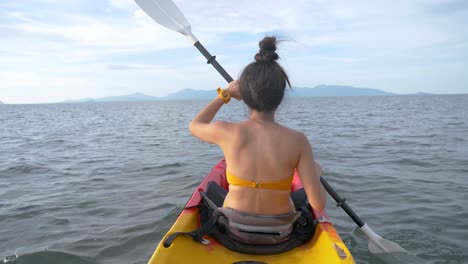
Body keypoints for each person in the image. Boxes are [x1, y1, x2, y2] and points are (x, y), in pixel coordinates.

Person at [189, 36, 326, 221]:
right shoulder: (298, 140)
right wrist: (315, 174)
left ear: (244, 95)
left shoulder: (227, 131)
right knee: (301, 199)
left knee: (212, 190)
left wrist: (225, 95)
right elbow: (318, 204)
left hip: (234, 228)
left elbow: (195, 125)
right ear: (280, 96)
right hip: (280, 232)